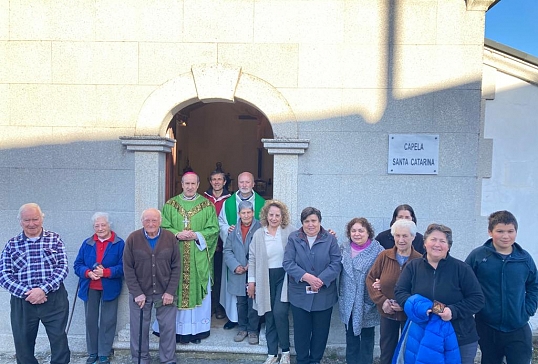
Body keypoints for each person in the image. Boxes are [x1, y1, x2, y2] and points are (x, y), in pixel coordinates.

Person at [394, 223, 485, 364]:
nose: (437, 244)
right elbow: (400, 292)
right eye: (433, 239)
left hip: (460, 335)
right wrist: (418, 307)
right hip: (422, 335)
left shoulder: (462, 269)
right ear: (425, 243)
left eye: (442, 241)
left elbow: (477, 299)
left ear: (448, 246)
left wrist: (452, 311)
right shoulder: (413, 267)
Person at [0, 203, 70, 364]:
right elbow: (3, 275)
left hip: (53, 299)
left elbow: (63, 268)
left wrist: (42, 290)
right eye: (27, 220)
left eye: (35, 219)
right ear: (20, 221)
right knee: (23, 344)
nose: (31, 224)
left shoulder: (55, 239)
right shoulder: (12, 244)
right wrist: (28, 292)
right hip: (23, 301)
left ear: (42, 218)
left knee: (59, 341)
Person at [465, 211, 538, 364]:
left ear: (516, 232)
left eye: (510, 231)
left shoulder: (524, 259)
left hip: (518, 326)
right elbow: (464, 284)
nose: (506, 236)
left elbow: (534, 285)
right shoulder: (478, 256)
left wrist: (528, 309)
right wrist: (476, 309)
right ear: (490, 232)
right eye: (500, 231)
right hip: (487, 326)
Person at [155, 171, 219, 344]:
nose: (190, 187)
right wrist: (177, 234)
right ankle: (174, 331)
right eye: (186, 184)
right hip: (175, 259)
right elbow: (163, 227)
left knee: (197, 291)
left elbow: (213, 229)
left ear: (198, 185)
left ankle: (196, 331)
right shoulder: (170, 205)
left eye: (193, 184)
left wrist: (196, 235)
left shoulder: (207, 205)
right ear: (181, 184)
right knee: (174, 290)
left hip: (197, 259)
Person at [283, 207, 341, 364]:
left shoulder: (330, 239)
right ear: (302, 223)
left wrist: (320, 280)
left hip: (324, 295)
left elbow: (336, 263)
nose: (310, 224)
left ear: (320, 221)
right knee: (301, 333)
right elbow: (288, 263)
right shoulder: (294, 238)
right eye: (306, 221)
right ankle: (302, 361)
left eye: (313, 221)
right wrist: (307, 277)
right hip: (300, 295)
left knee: (320, 333)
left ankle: (316, 360)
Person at [123, 208, 180, 364]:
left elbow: (176, 267)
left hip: (165, 292)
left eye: (154, 220)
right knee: (139, 330)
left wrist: (170, 292)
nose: (151, 223)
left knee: (167, 329)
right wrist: (136, 293)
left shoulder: (170, 238)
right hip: (140, 293)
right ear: (142, 222)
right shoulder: (133, 239)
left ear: (160, 221)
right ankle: (140, 360)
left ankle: (168, 360)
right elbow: (127, 268)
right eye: (147, 220)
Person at [366, 219, 422, 364]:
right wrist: (382, 301)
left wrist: (405, 304)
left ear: (413, 237)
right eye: (397, 236)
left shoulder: (419, 260)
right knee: (386, 352)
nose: (401, 240)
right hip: (387, 313)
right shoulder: (385, 256)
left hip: (410, 316)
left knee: (408, 352)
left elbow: (423, 289)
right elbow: (371, 279)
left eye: (405, 236)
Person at [73, 212, 125, 364]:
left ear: (109, 225)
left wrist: (106, 272)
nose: (100, 228)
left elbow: (124, 267)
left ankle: (104, 353)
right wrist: (88, 273)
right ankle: (92, 352)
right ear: (93, 227)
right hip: (90, 286)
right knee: (90, 320)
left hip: (110, 286)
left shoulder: (119, 243)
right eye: (97, 225)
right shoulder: (87, 243)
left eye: (103, 225)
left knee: (108, 320)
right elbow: (77, 265)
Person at [248, 200, 295, 364]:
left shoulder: (290, 231)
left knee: (279, 313)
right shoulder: (259, 234)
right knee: (268, 315)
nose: (274, 218)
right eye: (271, 215)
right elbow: (252, 259)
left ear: (282, 217)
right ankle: (272, 353)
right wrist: (251, 282)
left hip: (284, 277)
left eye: (277, 215)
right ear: (266, 216)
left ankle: (286, 351)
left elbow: (308, 235)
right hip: (264, 277)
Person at [219, 171, 266, 329]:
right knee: (236, 290)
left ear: (253, 184)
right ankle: (234, 318)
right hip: (235, 253)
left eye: (248, 182)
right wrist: (227, 229)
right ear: (237, 184)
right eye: (241, 182)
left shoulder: (262, 203)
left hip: (253, 257)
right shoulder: (228, 203)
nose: (244, 185)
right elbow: (221, 224)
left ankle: (254, 323)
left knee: (254, 292)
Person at [339, 217, 384, 364]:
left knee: (367, 338)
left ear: (368, 232)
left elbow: (384, 273)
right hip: (349, 302)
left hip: (367, 301)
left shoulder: (378, 250)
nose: (357, 234)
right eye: (353, 231)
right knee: (350, 337)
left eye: (361, 230)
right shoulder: (344, 248)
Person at [223, 201, 262, 344]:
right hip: (238, 271)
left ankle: (253, 330)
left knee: (254, 302)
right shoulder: (233, 230)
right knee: (241, 302)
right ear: (239, 214)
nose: (246, 215)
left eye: (249, 212)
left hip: (254, 270)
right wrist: (235, 266)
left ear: (253, 213)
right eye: (243, 213)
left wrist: (250, 265)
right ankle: (242, 328)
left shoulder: (260, 228)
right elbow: (227, 250)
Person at [204, 169, 231, 320]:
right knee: (208, 277)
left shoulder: (230, 200)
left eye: (219, 179)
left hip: (223, 245)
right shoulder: (203, 199)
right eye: (213, 179)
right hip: (206, 246)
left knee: (221, 278)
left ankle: (220, 307)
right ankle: (208, 306)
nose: (216, 182)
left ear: (224, 181)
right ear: (210, 181)